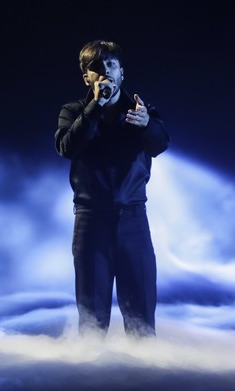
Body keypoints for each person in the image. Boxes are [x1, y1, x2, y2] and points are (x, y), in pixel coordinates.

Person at [55, 40, 169, 338]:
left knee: (141, 317)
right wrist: (96, 107)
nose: (105, 71)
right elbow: (67, 148)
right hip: (91, 223)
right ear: (86, 78)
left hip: (133, 221)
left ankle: (146, 379)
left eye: (111, 65)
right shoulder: (73, 111)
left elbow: (160, 144)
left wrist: (147, 124)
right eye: (96, 67)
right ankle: (92, 380)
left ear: (121, 72)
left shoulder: (141, 111)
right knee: (92, 319)